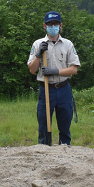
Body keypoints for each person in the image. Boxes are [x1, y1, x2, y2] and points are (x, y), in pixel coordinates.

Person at [26, 11, 81, 145]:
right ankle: (44, 154)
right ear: (44, 26)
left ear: (60, 25)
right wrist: (39, 54)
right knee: (44, 127)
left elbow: (74, 69)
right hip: (46, 90)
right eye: (50, 24)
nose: (53, 26)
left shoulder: (68, 44)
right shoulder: (38, 44)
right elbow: (32, 70)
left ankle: (65, 151)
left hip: (63, 89)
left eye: (55, 24)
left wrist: (55, 71)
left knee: (64, 126)